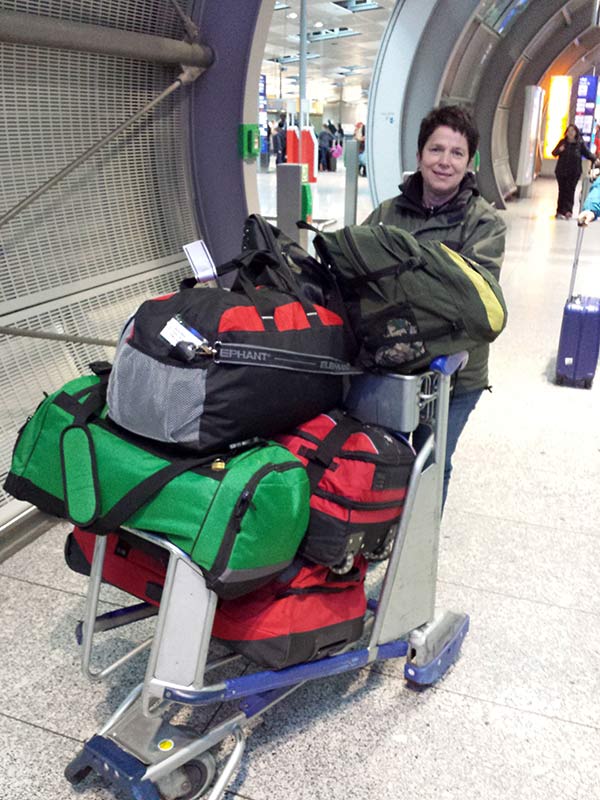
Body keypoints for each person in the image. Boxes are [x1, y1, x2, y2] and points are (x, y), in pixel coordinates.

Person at [362, 105, 506, 509]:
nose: (445, 161)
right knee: (384, 455)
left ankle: (422, 540)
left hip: (454, 376)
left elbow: (472, 302)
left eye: (457, 153)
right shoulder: (388, 213)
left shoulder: (484, 224)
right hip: (393, 366)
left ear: (470, 162)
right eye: (436, 149)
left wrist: (400, 286)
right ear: (419, 154)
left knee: (431, 461)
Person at [551, 124, 595, 219]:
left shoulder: (579, 143)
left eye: (573, 131)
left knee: (570, 191)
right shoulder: (562, 142)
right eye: (569, 131)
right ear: (566, 133)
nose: (570, 133)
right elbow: (554, 153)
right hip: (561, 171)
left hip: (574, 172)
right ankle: (560, 211)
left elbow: (587, 153)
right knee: (562, 191)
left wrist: (595, 159)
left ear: (576, 132)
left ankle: (568, 211)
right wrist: (560, 150)